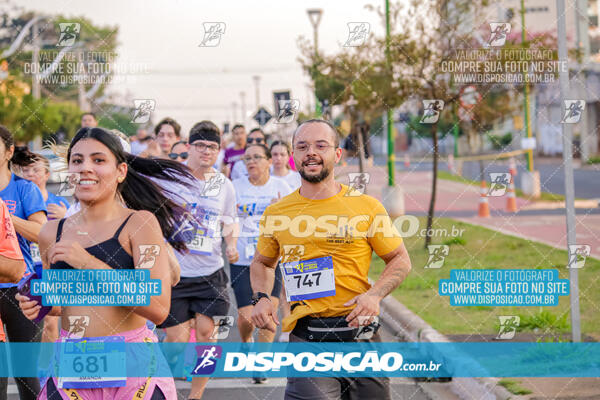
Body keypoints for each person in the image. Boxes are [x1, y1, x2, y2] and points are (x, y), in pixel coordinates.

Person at [16, 126, 195, 399]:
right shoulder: (51, 233)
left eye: (98, 160)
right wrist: (39, 302)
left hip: (134, 368)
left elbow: (158, 308)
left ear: (121, 171)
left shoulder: (140, 223)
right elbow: (62, 305)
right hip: (72, 364)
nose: (86, 167)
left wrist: (87, 263)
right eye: (77, 160)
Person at [250, 119, 412, 400]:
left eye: (320, 145)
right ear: (294, 156)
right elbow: (263, 263)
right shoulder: (277, 212)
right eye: (302, 147)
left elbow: (399, 259)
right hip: (308, 338)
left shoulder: (366, 207)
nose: (310, 152)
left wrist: (374, 295)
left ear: (337, 155)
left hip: (360, 336)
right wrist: (261, 298)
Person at [157, 121, 239, 400]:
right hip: (176, 273)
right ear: (189, 146)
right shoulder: (171, 179)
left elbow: (229, 221)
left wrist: (232, 245)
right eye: (201, 145)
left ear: (218, 151)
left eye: (213, 147)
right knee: (177, 341)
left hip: (211, 272)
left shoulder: (224, 185)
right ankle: (161, 388)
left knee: (207, 334)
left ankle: (196, 395)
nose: (206, 151)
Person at [231, 143, 292, 382]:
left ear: (269, 161)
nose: (251, 162)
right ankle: (246, 340)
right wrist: (229, 243)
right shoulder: (234, 187)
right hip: (243, 259)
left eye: (257, 157)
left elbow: (293, 222)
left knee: (267, 316)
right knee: (247, 317)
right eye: (247, 158)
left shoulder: (281, 187)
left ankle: (261, 364)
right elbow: (226, 220)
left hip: (271, 260)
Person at [0, 127, 47, 400]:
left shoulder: (23, 188)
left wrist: (4, 216)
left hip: (22, 288)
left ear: (8, 152)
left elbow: (41, 233)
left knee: (26, 374)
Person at [19, 154, 70, 343]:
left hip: (51, 268)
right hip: (27, 270)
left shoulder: (59, 204)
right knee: (33, 322)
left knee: (50, 321)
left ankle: (48, 370)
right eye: (26, 170)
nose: (30, 174)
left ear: (47, 174)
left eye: (36, 170)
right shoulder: (19, 202)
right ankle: (39, 368)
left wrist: (66, 217)